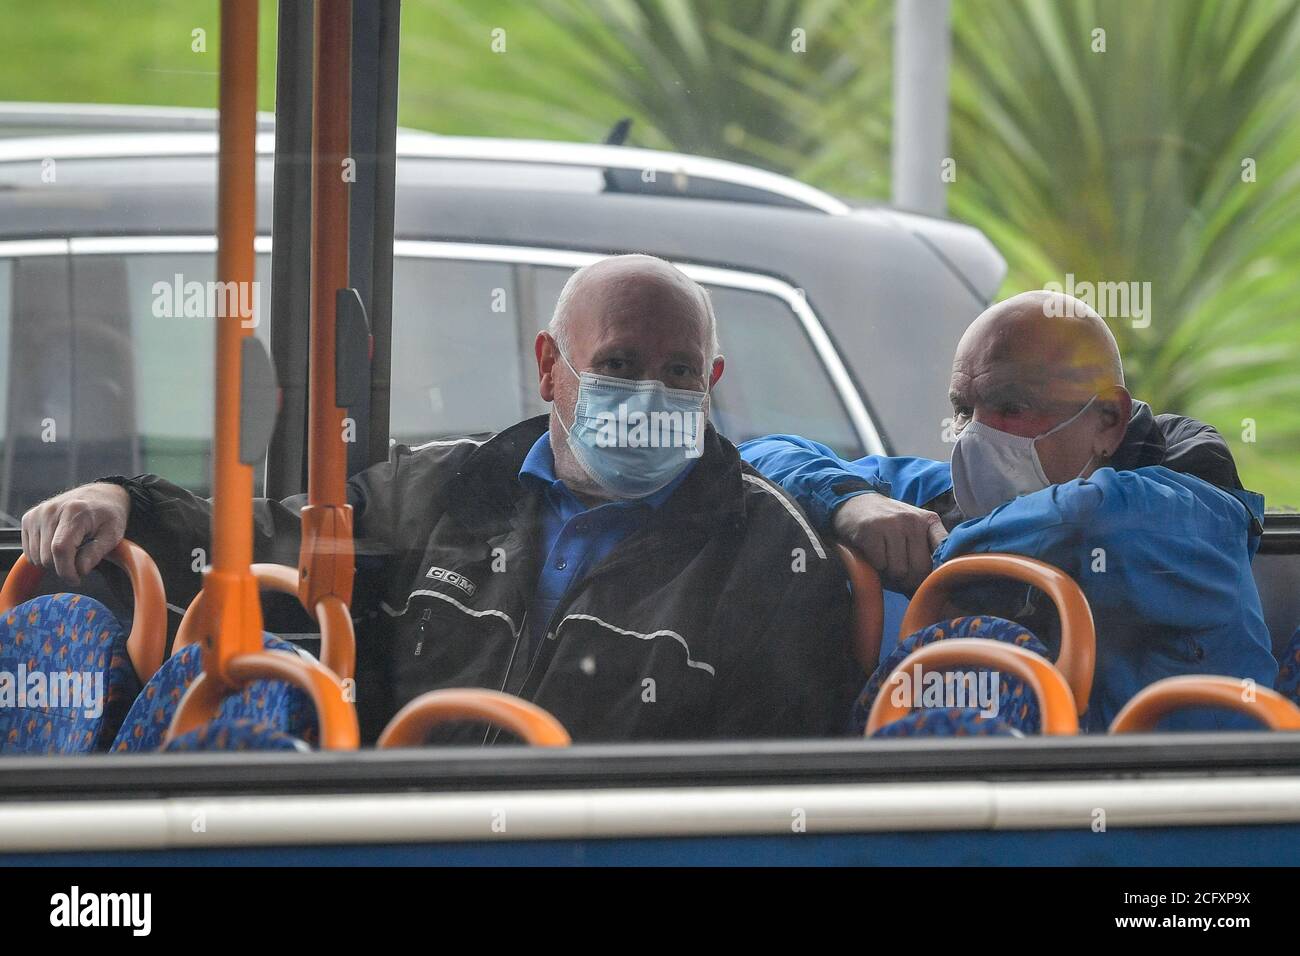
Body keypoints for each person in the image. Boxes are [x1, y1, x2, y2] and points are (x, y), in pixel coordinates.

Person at [21, 254, 860, 745]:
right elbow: (269, 542)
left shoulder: (769, 554)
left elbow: (772, 789)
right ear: (547, 368)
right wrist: (121, 500)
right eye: (617, 365)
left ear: (711, 382)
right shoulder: (448, 489)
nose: (648, 395)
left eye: (678, 372)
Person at [742, 290, 1275, 731]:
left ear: (1108, 420)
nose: (976, 435)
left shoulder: (1190, 510)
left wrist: (944, 553)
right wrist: (853, 502)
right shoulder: (950, 500)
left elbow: (1095, 517)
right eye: (963, 410)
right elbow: (760, 456)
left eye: (1012, 408)